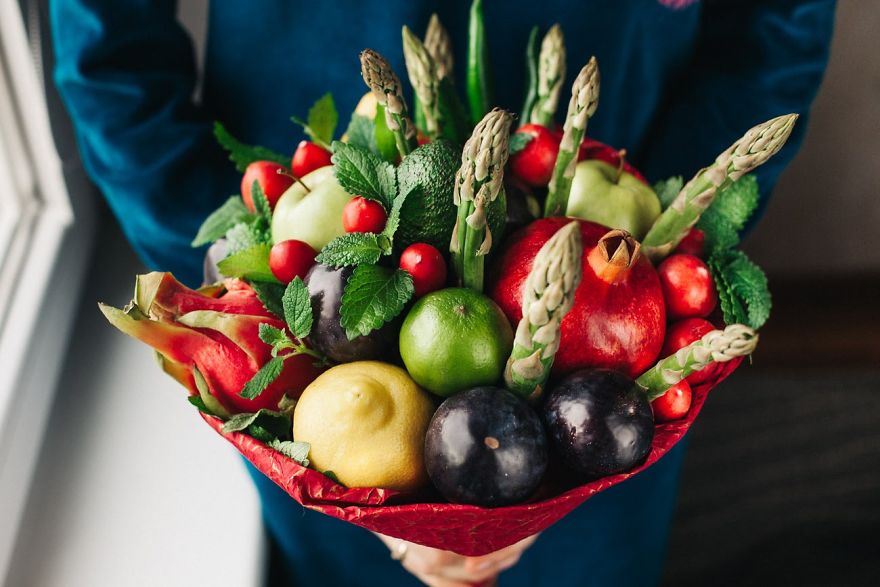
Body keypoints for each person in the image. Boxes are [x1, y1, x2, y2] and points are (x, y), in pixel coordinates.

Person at [50, 1, 835, 585]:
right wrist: (233, 275)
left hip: (616, 346)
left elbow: (778, 28)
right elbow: (107, 49)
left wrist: (677, 221)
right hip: (316, 339)